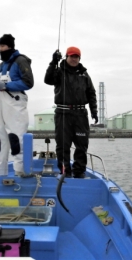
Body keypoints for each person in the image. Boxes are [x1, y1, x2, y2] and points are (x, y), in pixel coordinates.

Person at [44, 46, 98, 178]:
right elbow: (48, 80)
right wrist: (53, 62)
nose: (74, 59)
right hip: (63, 114)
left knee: (81, 145)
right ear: (66, 57)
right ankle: (65, 172)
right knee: (63, 145)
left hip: (80, 115)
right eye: (71, 56)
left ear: (79, 58)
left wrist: (94, 111)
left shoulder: (85, 75)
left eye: (76, 57)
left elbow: (91, 93)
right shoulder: (59, 71)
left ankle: (79, 172)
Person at [0, 34, 34, 176]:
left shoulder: (21, 61)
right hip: (1, 102)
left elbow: (28, 82)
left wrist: (6, 85)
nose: (0, 49)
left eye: (2, 46)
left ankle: (20, 171)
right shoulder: (1, 66)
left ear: (10, 46)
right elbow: (0, 86)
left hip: (16, 102)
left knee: (16, 136)